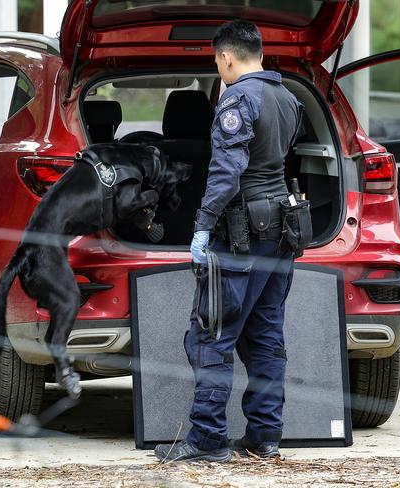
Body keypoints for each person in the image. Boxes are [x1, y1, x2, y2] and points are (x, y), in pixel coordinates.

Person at [154, 19, 304, 463]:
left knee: (212, 336)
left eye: (216, 60)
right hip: (283, 231)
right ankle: (265, 438)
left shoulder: (237, 97)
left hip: (241, 236)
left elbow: (227, 172)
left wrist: (201, 226)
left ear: (226, 56)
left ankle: (207, 439)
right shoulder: (289, 97)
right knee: (265, 336)